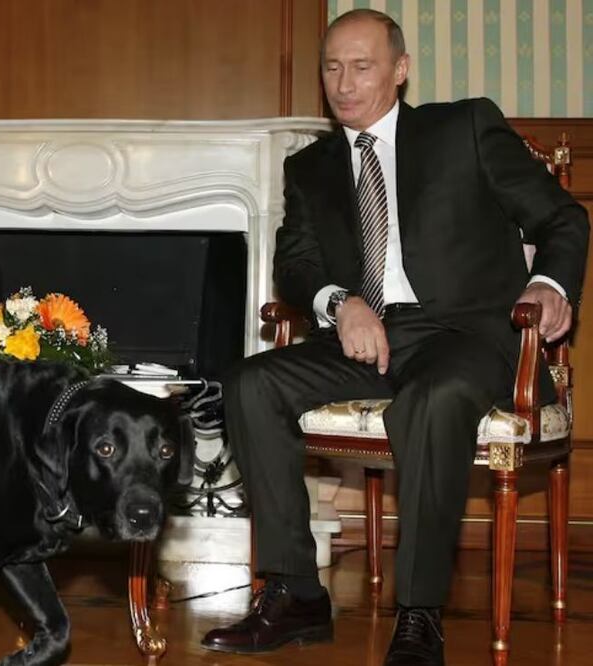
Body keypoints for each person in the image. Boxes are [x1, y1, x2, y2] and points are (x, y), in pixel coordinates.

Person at [200, 9, 588, 666]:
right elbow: (294, 266)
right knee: (249, 383)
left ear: (400, 70)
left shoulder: (461, 128)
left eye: (361, 66)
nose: (343, 84)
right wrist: (339, 302)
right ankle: (295, 592)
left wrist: (547, 284)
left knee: (430, 401)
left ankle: (417, 614)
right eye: (330, 68)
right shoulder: (311, 167)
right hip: (368, 338)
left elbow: (561, 218)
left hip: (465, 335)